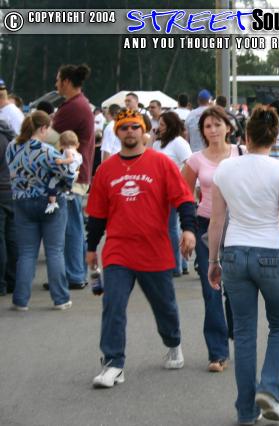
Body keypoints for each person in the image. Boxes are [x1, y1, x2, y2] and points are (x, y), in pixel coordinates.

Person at [207, 105, 279, 425]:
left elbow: (216, 220)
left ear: (246, 137)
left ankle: (245, 411)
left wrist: (213, 260)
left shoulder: (225, 169)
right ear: (274, 138)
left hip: (234, 253)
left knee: (244, 332)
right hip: (272, 253)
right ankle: (269, 388)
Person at [86, 109, 196, 388]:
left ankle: (173, 342)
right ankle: (113, 363)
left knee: (164, 306)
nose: (130, 132)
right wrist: (90, 247)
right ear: (117, 132)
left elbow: (184, 199)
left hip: (154, 249)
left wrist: (188, 229)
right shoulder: (105, 170)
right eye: (124, 128)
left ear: (144, 130)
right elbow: (97, 214)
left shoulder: (161, 163)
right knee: (113, 304)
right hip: (118, 250)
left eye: (135, 127)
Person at [182, 106, 241, 373]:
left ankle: (236, 331)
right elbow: (184, 196)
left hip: (239, 225)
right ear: (202, 132)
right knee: (212, 288)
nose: (213, 130)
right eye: (208, 126)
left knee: (235, 287)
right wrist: (188, 230)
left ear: (228, 127)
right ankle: (218, 352)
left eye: (218, 124)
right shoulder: (195, 160)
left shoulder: (241, 153)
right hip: (206, 226)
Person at [5, 111, 75, 310]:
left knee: (27, 253)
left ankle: (20, 300)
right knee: (54, 251)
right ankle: (60, 299)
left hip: (21, 201)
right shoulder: (47, 151)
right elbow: (67, 175)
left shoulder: (12, 147)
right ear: (43, 128)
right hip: (49, 202)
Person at [51, 63, 95, 291]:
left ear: (67, 82)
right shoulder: (79, 104)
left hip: (71, 176)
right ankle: (76, 271)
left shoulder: (73, 107)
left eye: (58, 79)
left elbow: (50, 136)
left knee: (70, 227)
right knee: (74, 224)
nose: (56, 84)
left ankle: (74, 274)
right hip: (78, 173)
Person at [153, 111, 192, 277]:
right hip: (159, 190)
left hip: (174, 190)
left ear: (170, 126)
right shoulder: (158, 143)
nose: (159, 127)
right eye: (159, 124)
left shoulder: (179, 143)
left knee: (171, 227)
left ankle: (176, 265)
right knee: (168, 227)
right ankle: (180, 263)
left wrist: (178, 180)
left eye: (162, 125)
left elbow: (189, 164)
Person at [45, 130, 83, 214]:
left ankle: (52, 202)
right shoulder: (79, 155)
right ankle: (67, 191)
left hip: (65, 173)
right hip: (72, 176)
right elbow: (78, 167)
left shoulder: (67, 150)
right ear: (77, 144)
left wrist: (61, 161)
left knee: (52, 182)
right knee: (63, 185)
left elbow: (70, 159)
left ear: (61, 145)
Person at [0, 118, 16, 296]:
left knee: (1, 239)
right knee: (12, 238)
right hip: (12, 189)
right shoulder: (9, 136)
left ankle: (1, 283)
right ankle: (13, 279)